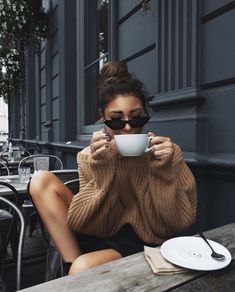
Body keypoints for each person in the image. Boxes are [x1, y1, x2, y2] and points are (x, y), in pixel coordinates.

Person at [29, 61, 197, 275]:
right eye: (117, 121)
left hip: (142, 237)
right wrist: (102, 169)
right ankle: (70, 267)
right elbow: (84, 222)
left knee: (84, 267)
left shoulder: (166, 153)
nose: (128, 127)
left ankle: (76, 271)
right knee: (40, 180)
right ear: (103, 117)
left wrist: (161, 171)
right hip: (101, 228)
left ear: (146, 112)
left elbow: (177, 224)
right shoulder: (90, 156)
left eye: (137, 117)